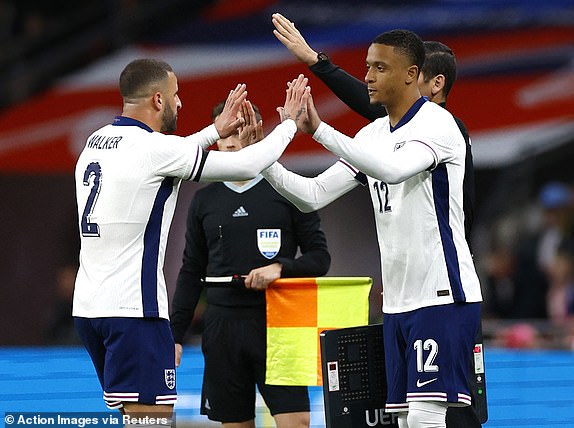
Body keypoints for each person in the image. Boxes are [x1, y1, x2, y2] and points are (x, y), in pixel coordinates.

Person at [262, 29, 483, 428]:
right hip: (396, 301)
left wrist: (321, 130)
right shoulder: (372, 134)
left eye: (380, 67)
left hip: (442, 293)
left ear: (410, 74)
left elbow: (393, 170)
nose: (368, 76)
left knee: (424, 417)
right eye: (367, 67)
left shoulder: (439, 125)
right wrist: (260, 159)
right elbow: (311, 195)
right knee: (401, 419)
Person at [72, 58, 310, 421]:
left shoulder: (97, 140)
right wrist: (289, 123)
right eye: (175, 94)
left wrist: (215, 131)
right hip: (135, 310)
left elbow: (168, 156)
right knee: (150, 420)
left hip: (90, 307)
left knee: (132, 416)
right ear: (157, 100)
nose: (180, 102)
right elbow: (244, 166)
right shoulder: (154, 149)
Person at [170, 101, 331, 427]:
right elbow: (191, 270)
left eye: (238, 129)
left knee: (296, 421)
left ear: (258, 133)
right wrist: (174, 334)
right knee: (235, 423)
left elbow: (320, 257)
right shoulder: (204, 199)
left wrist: (281, 267)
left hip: (278, 324)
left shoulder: (287, 188)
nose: (230, 140)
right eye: (224, 132)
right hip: (222, 328)